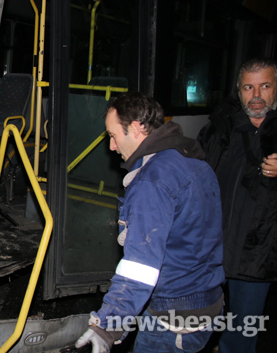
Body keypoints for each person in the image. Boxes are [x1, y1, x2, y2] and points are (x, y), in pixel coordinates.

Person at [75, 92, 225, 353]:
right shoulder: (193, 161)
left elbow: (139, 268)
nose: (111, 146)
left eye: (113, 135)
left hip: (173, 317)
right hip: (209, 301)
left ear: (135, 128)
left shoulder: (151, 182)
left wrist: (108, 325)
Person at [198, 58, 277, 353]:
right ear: (239, 91)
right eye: (248, 87)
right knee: (195, 326)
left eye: (265, 86)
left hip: (256, 256)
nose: (256, 95)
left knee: (241, 335)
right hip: (210, 251)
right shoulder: (218, 129)